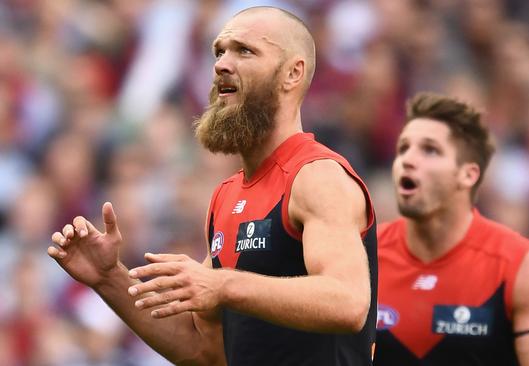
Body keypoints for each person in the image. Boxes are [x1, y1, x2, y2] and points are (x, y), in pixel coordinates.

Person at [48, 6, 377, 366]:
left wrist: (222, 285)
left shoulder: (316, 175)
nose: (221, 63)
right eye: (219, 51)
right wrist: (109, 278)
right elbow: (205, 351)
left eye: (244, 50)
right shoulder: (227, 196)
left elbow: (348, 301)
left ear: (292, 73)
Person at [373, 92, 529, 365]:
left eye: (430, 149)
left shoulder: (520, 266)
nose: (408, 159)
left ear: (468, 174)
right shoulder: (363, 256)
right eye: (403, 148)